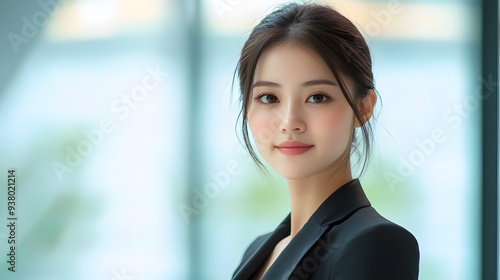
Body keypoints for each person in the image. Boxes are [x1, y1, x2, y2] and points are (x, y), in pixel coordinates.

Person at [231, 2, 420, 280]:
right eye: (269, 98)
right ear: (248, 109)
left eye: (317, 97)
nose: (289, 121)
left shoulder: (377, 243)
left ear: (364, 108)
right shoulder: (257, 250)